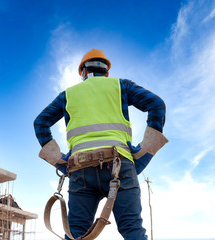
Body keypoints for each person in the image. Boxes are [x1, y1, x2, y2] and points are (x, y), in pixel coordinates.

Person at [33, 49, 168, 239]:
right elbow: (156, 104)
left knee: (76, 233)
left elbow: (41, 122)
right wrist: (143, 154)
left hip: (80, 169)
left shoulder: (68, 95)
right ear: (107, 72)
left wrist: (60, 162)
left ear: (83, 72)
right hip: (120, 165)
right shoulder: (121, 86)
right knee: (132, 230)